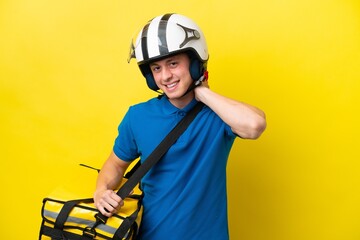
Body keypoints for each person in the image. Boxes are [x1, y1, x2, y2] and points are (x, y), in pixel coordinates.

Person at [94, 13, 266, 240]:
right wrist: (101, 191)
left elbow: (255, 125)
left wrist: (203, 92)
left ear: (195, 64)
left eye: (173, 64)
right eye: (156, 68)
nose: (165, 76)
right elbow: (115, 165)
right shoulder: (137, 116)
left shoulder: (218, 116)